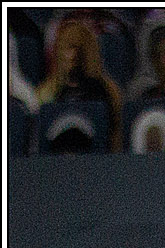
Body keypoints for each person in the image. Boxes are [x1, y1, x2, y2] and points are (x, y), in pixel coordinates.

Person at [37, 16, 123, 149]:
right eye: (70, 48)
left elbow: (115, 137)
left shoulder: (108, 90)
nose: (75, 55)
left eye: (80, 48)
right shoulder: (46, 92)